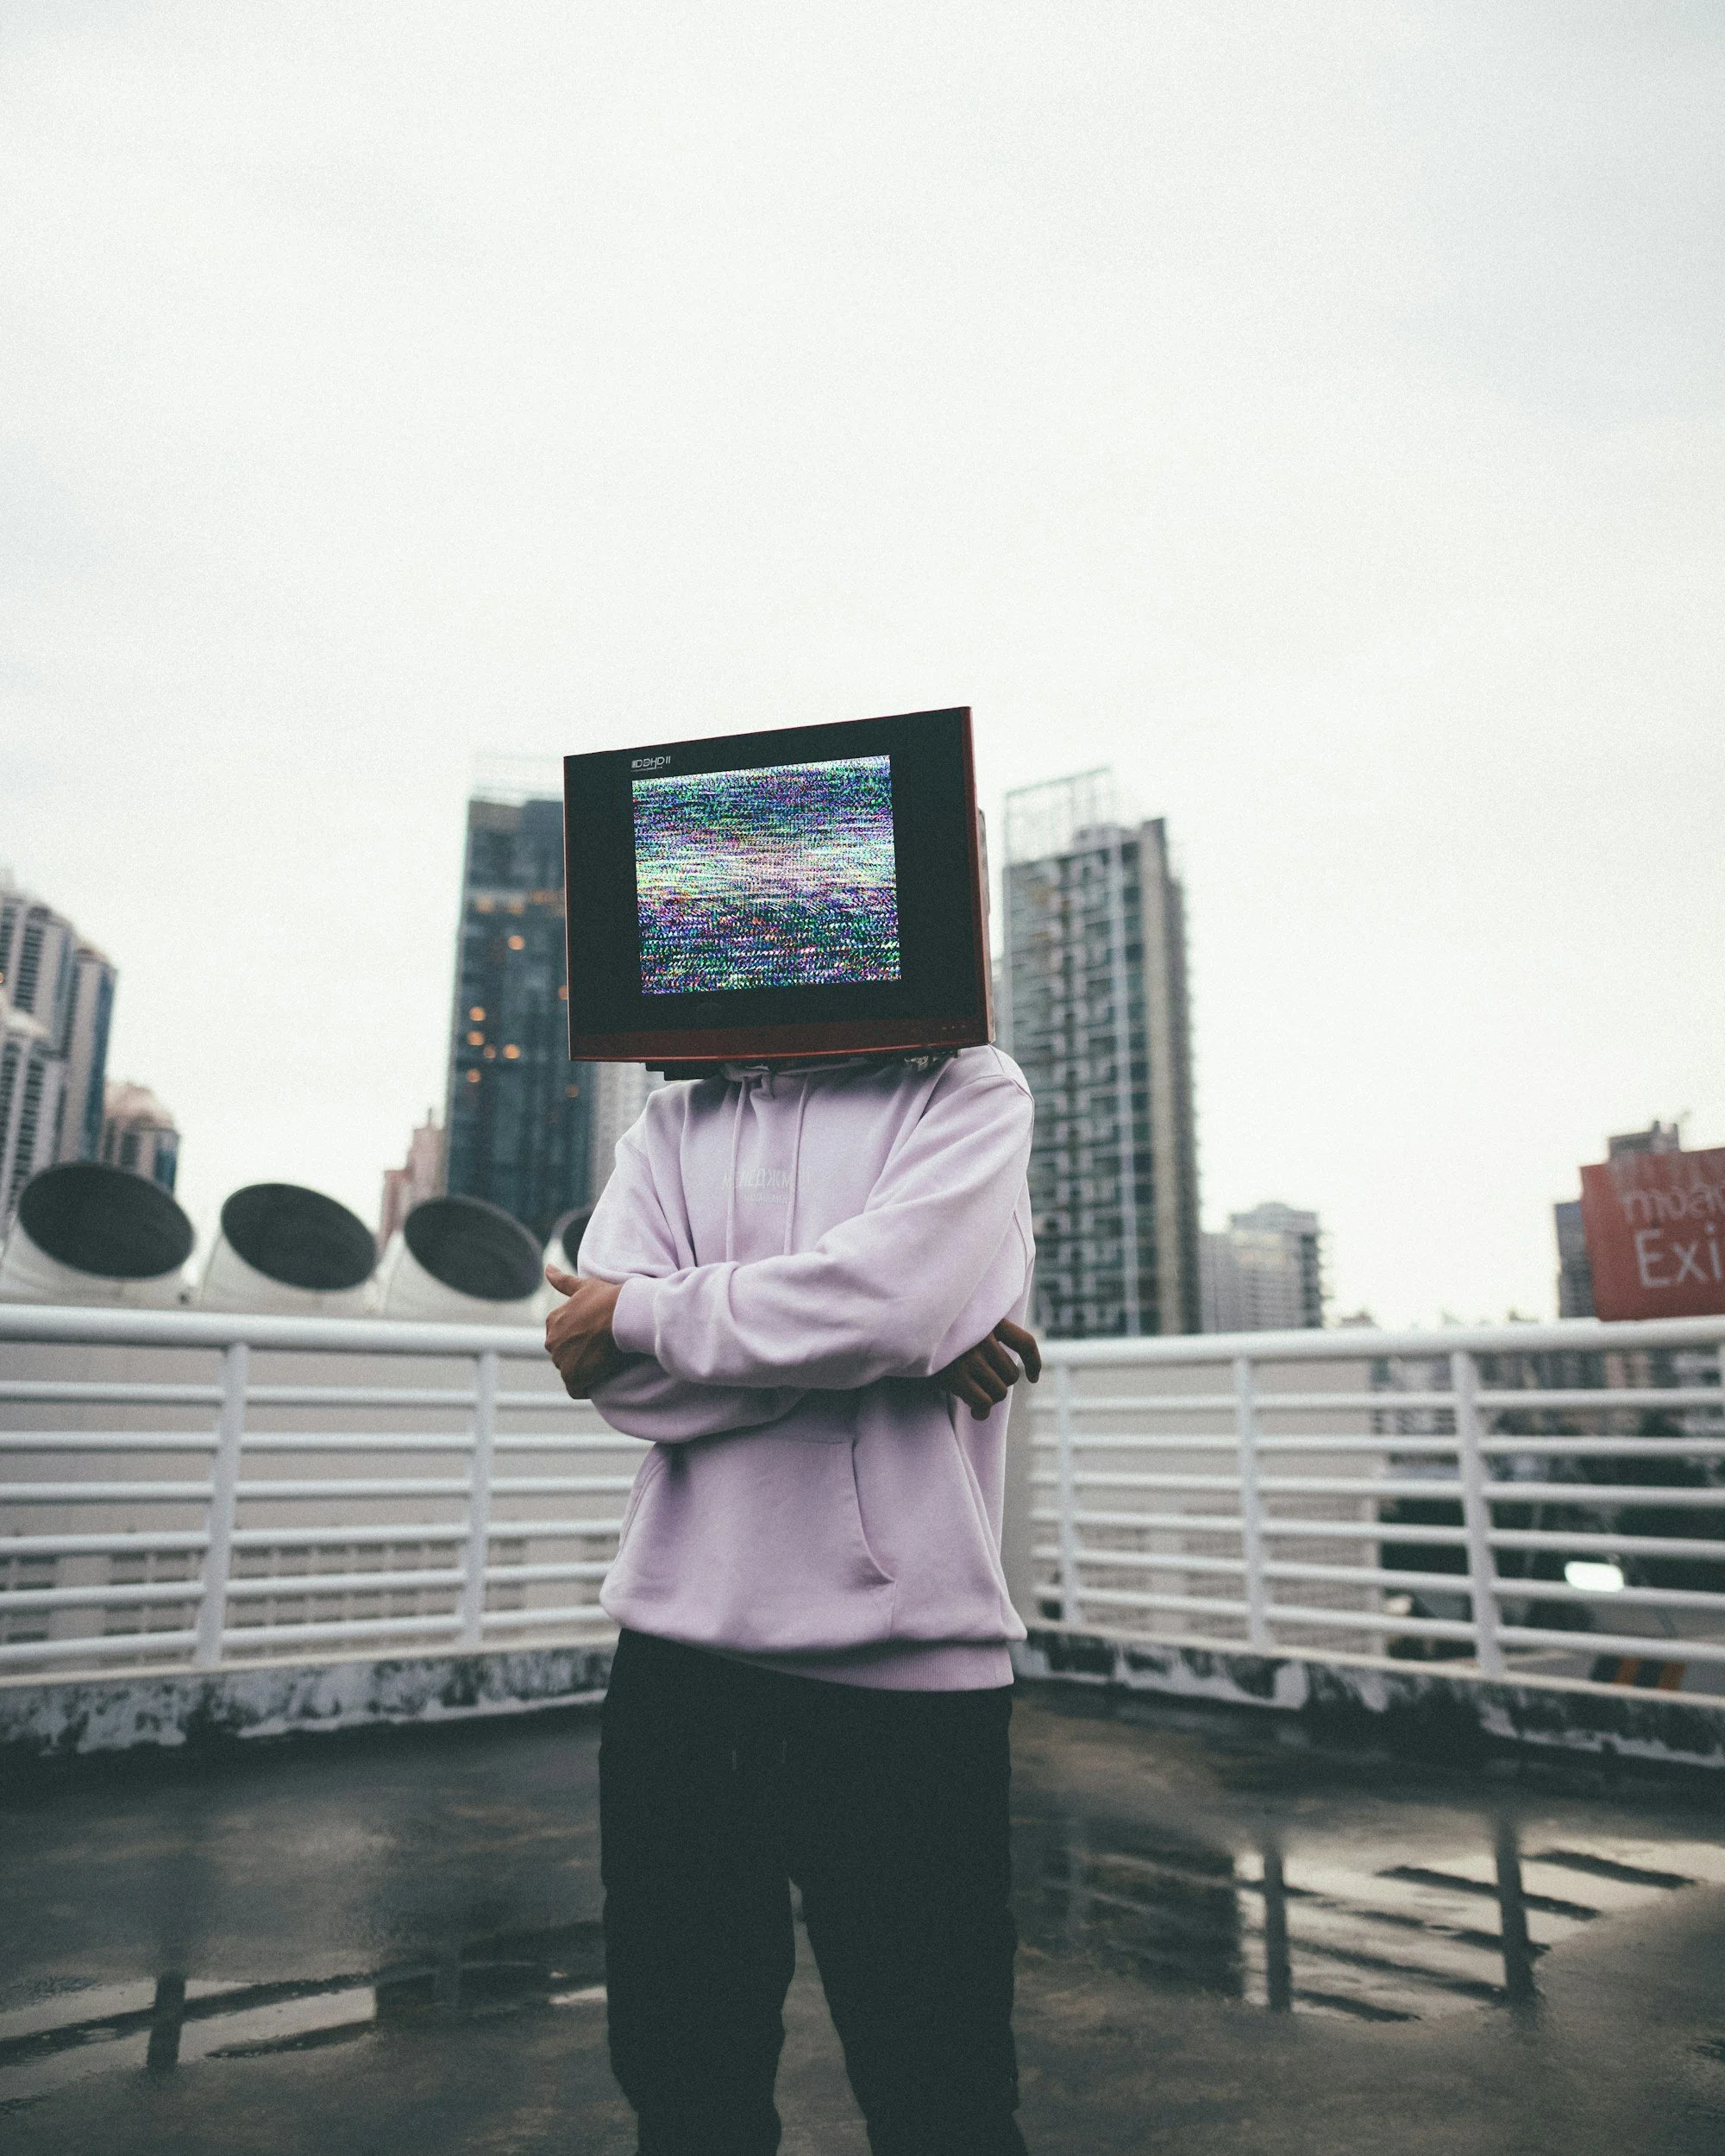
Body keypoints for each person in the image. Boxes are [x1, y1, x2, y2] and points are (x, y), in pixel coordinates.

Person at [544, 1046, 1039, 2156]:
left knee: (942, 2095)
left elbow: (891, 1308)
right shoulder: (671, 1119)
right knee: (682, 2083)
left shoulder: (967, 1090)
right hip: (676, 1664)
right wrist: (878, 1347)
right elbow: (610, 1376)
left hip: (908, 1670)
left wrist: (642, 1312)